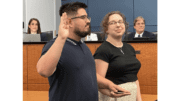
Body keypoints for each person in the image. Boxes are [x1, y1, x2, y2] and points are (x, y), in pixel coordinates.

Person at [36, 2, 130, 101]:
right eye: (83, 17)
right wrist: (61, 37)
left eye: (87, 17)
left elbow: (89, 76)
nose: (88, 21)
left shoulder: (83, 46)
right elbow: (43, 71)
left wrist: (108, 85)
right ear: (69, 22)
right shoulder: (55, 45)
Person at [94, 11, 142, 101]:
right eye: (113, 22)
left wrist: (139, 99)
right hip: (113, 98)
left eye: (120, 21)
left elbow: (134, 77)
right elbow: (98, 82)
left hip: (131, 96)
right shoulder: (103, 50)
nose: (118, 25)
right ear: (106, 29)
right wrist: (112, 94)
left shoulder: (129, 48)